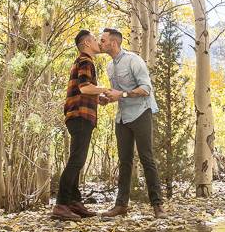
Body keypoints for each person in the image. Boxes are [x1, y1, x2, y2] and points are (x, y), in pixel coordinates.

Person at [98, 28, 167, 219]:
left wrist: (122, 94)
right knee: (124, 161)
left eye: (102, 41)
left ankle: (158, 206)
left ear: (113, 43)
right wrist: (108, 99)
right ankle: (121, 206)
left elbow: (146, 88)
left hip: (141, 113)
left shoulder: (133, 60)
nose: (100, 44)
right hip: (122, 117)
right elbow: (117, 93)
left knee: (147, 158)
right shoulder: (110, 67)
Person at [51, 30, 116, 221]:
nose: (98, 43)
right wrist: (106, 89)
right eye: (95, 40)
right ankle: (61, 205)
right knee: (77, 160)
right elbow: (84, 87)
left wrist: (98, 98)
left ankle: (74, 201)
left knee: (77, 159)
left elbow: (85, 90)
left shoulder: (82, 61)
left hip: (78, 114)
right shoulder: (85, 61)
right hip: (80, 116)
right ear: (87, 43)